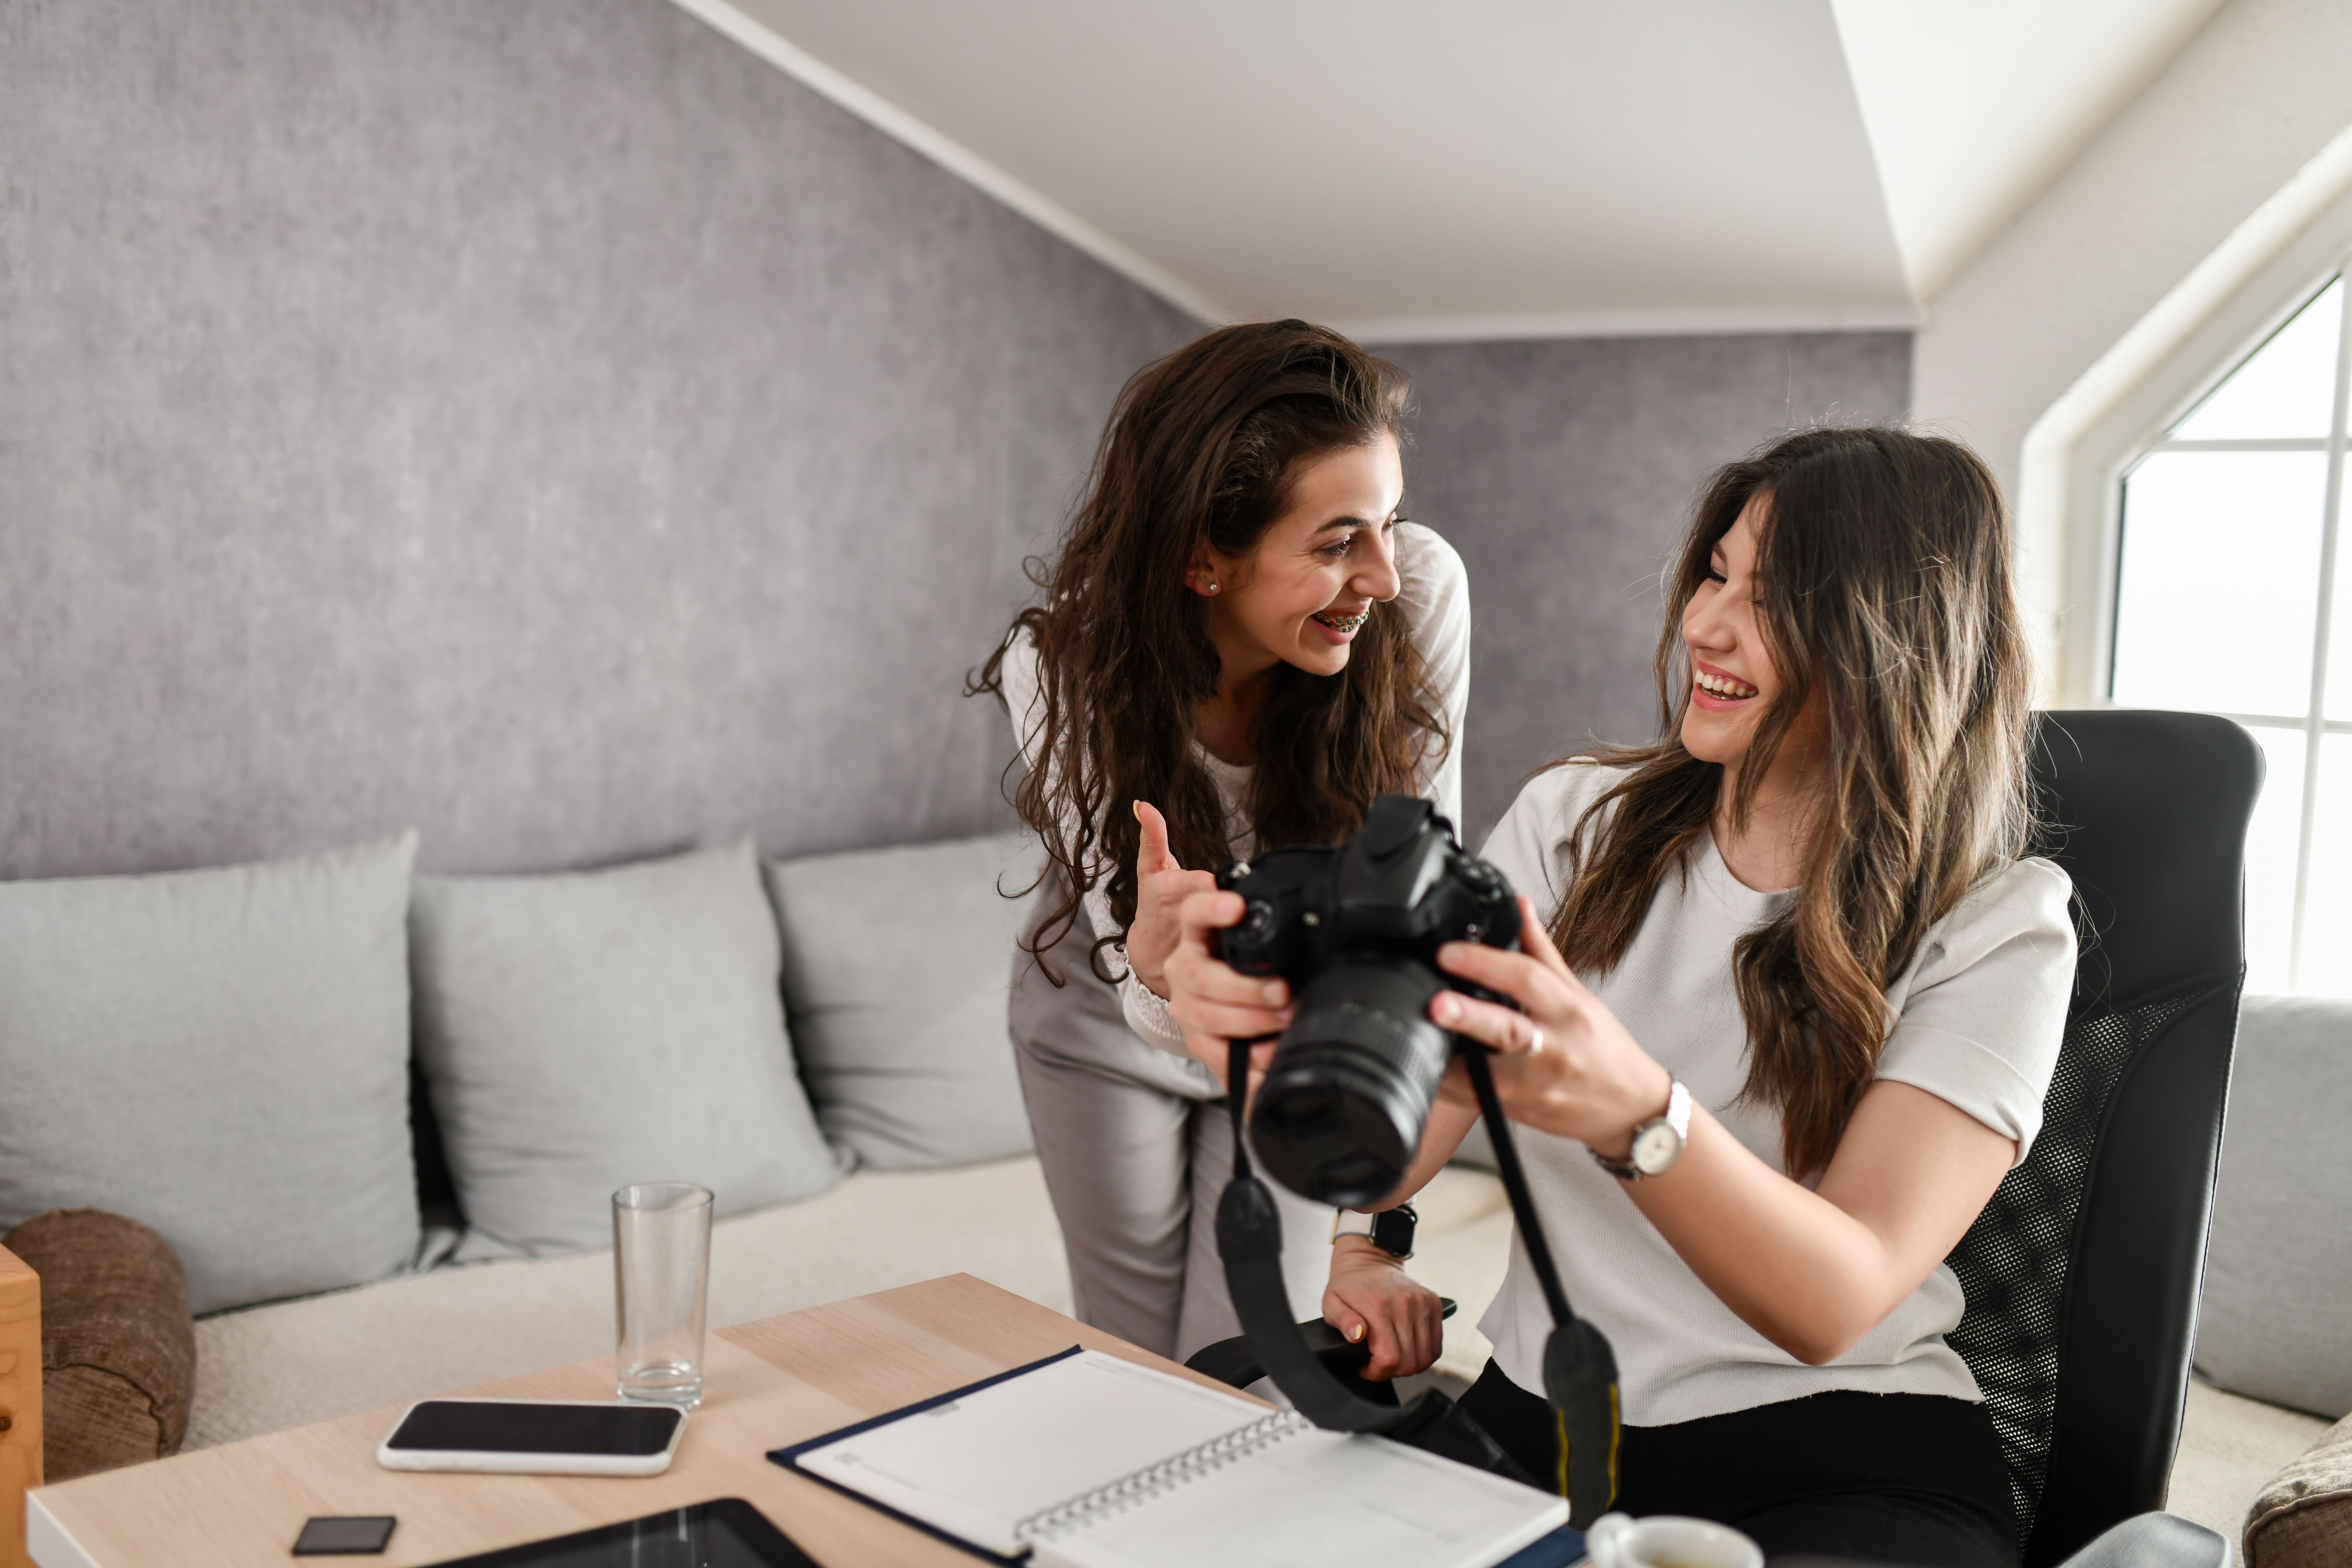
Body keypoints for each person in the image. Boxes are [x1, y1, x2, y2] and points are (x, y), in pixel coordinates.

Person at [1164, 426, 2071, 1568]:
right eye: (1717, 572)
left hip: (1840, 1460)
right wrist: (1238, 1026)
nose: (1704, 623)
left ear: (1895, 641)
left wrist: (1633, 1111)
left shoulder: (1999, 922)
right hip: (1537, 1425)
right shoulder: (1570, 826)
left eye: (1774, 598)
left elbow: (1838, 1297)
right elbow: (1389, 1161)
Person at [974, 320, 1466, 1371]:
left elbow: (1413, 926)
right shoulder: (1061, 666)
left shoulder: (1419, 595)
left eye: (1390, 521)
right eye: (1338, 543)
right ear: (1204, 557)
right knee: (1131, 1361)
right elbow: (1142, 974)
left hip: (1298, 1022)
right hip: (1107, 1027)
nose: (1380, 574)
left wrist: (1367, 1234)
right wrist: (1159, 965)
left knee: (1250, 1369)